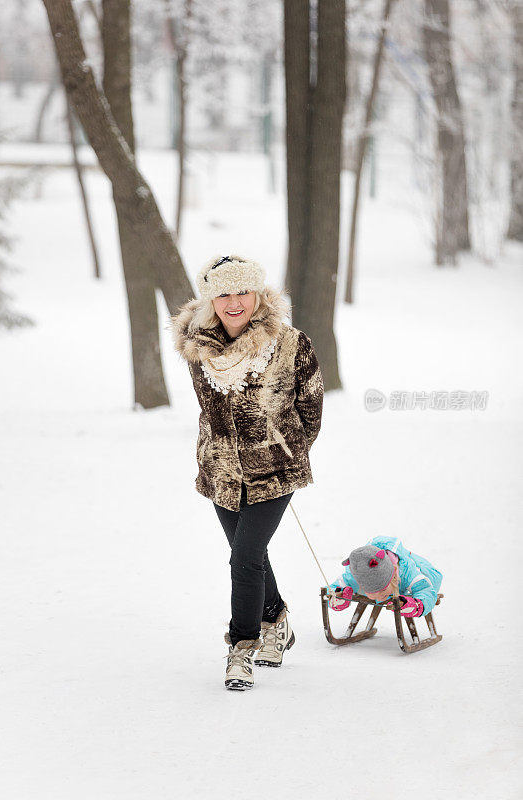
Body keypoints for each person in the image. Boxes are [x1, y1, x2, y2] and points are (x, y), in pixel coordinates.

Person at [171, 254, 324, 690]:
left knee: (244, 557)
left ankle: (242, 647)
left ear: (258, 294)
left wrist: (284, 449)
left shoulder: (291, 343)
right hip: (221, 470)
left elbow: (311, 407)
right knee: (249, 554)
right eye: (222, 293)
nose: (233, 302)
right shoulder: (198, 348)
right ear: (211, 300)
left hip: (276, 469)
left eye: (242, 291)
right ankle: (275, 619)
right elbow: (208, 409)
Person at [328, 536, 443, 617]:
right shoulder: (356, 574)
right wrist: (338, 597)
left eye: (383, 589)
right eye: (373, 592)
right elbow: (332, 589)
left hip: (424, 572)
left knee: (430, 581)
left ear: (392, 577)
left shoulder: (407, 570)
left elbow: (426, 589)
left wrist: (417, 605)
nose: (380, 596)